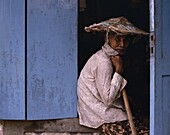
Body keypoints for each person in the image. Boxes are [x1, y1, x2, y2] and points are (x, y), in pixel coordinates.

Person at [77, 16, 149, 134]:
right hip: (101, 114)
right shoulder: (103, 62)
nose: (122, 44)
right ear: (107, 38)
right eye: (117, 39)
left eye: (126, 40)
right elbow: (108, 99)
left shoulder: (111, 58)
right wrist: (118, 72)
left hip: (102, 110)